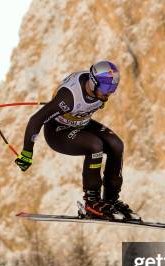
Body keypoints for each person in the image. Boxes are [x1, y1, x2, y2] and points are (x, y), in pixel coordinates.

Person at [15, 61, 140, 221]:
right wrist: (27, 152)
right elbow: (36, 119)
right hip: (58, 132)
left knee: (116, 145)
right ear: (93, 83)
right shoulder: (69, 97)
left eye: (113, 89)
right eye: (106, 88)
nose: (109, 93)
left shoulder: (97, 88)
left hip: (81, 123)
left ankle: (111, 201)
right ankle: (91, 203)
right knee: (95, 146)